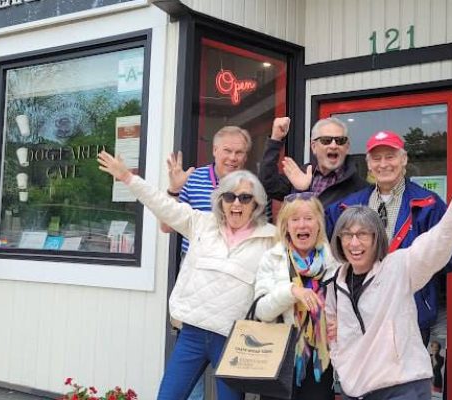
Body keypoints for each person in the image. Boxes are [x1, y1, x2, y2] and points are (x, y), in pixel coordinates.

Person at [97, 150, 275, 400]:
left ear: (255, 203)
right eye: (230, 196)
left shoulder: (270, 238)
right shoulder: (202, 222)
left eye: (245, 198)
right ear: (220, 200)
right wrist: (127, 177)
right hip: (192, 332)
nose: (236, 203)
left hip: (235, 339)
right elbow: (162, 204)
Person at [325, 147, 452, 399]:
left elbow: (439, 239)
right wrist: (345, 368)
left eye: (363, 235)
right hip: (357, 389)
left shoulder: (399, 267)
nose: (354, 243)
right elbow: (334, 331)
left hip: (402, 387)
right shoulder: (335, 281)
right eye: (347, 235)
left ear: (377, 239)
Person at [325, 130, 452, 346]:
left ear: (404, 160)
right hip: (361, 314)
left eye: (390, 156)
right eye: (376, 158)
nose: (383, 164)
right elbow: (318, 237)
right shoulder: (349, 206)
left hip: (409, 315)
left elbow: (442, 251)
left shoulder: (428, 204)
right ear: (369, 164)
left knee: (406, 379)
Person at [163, 126, 252, 400]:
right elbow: (167, 226)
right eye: (227, 150)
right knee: (188, 371)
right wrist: (174, 190)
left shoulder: (250, 186)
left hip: (232, 289)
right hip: (197, 282)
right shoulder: (194, 179)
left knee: (229, 372)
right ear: (215, 150)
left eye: (239, 152)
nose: (233, 157)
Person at [254, 192, 339, 400]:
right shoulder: (272, 259)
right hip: (278, 358)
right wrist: (292, 291)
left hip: (320, 360)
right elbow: (261, 311)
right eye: (295, 219)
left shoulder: (334, 261)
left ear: (319, 224)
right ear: (286, 226)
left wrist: (339, 322)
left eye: (309, 218)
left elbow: (345, 308)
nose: (302, 225)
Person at [259, 116, 367, 206]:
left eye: (340, 141)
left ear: (347, 147)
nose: (333, 145)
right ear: (314, 146)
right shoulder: (301, 174)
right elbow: (268, 185)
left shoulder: (360, 187)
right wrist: (275, 139)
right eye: (326, 140)